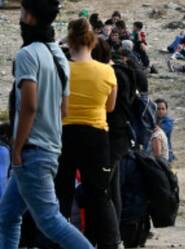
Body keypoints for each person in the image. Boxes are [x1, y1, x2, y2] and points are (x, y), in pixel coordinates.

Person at [0, 0, 93, 249]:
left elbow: (29, 105)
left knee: (50, 221)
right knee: (7, 215)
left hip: (31, 151)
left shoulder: (27, 55)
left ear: (30, 17)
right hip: (49, 148)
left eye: (22, 12)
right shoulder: (59, 55)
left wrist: (16, 147)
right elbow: (64, 110)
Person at [54, 17, 120, 249]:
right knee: (99, 194)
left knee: (61, 193)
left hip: (65, 133)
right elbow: (110, 107)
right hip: (95, 135)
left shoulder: (62, 69)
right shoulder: (107, 72)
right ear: (92, 42)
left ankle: (58, 243)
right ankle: (107, 243)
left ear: (69, 42)